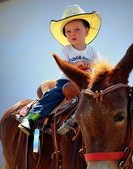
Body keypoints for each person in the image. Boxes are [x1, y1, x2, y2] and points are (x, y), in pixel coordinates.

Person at [18, 4, 102, 135]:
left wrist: (91, 67)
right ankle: (31, 119)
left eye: (77, 29)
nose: (72, 33)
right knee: (53, 95)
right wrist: (76, 65)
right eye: (68, 31)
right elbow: (63, 64)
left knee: (103, 97)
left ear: (87, 31)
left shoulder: (92, 51)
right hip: (66, 81)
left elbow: (99, 66)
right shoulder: (66, 50)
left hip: (87, 83)